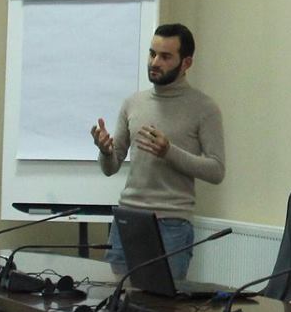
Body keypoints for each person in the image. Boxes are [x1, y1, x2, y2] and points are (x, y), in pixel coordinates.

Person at [91, 23, 226, 280]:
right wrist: (105, 152)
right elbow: (111, 167)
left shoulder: (204, 108)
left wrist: (169, 152)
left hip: (171, 223)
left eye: (165, 57)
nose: (154, 62)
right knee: (115, 298)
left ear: (186, 63)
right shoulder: (133, 103)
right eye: (152, 54)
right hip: (128, 220)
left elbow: (216, 170)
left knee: (162, 302)